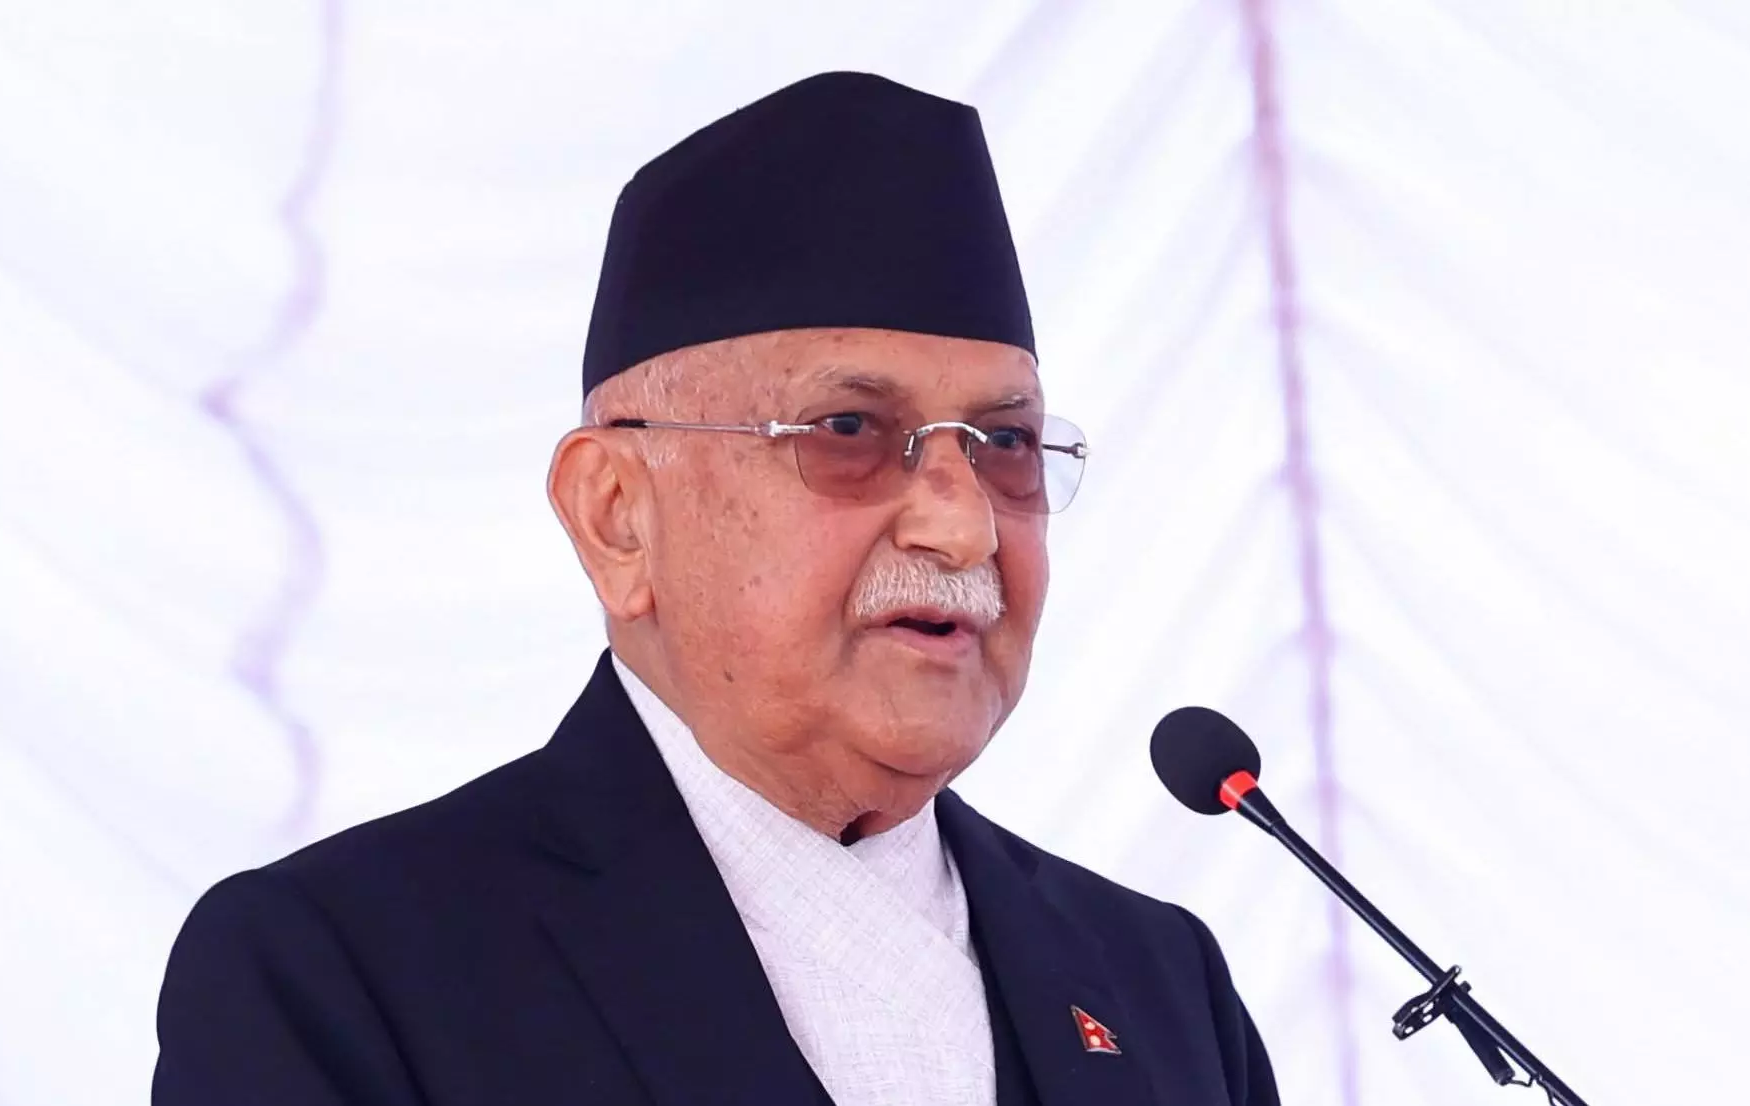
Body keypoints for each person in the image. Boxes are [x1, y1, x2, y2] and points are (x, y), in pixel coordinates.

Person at [153, 71, 1278, 1106]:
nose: (962, 523)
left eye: (1006, 444)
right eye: (849, 429)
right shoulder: (345, 973)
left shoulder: (1160, 984)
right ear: (616, 514)